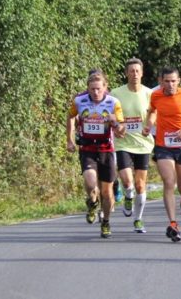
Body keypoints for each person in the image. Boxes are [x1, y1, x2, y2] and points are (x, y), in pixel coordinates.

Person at [144, 67, 181, 242]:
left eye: (173, 81)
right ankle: (173, 223)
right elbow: (152, 112)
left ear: (179, 81)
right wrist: (149, 125)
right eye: (166, 81)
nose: (170, 84)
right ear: (161, 81)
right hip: (163, 145)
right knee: (169, 182)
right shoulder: (156, 96)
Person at [67, 72, 125, 238]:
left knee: (107, 193)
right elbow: (70, 116)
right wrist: (69, 140)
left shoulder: (114, 103)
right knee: (91, 183)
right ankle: (92, 201)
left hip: (106, 149)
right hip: (87, 148)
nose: (95, 92)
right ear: (88, 89)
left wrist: (115, 123)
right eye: (92, 89)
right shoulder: (79, 101)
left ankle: (106, 221)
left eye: (99, 89)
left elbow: (121, 130)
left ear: (105, 88)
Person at [110, 58, 153, 233]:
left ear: (142, 73)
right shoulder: (116, 93)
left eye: (137, 71)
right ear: (126, 73)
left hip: (143, 143)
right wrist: (115, 126)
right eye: (131, 71)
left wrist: (149, 124)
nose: (134, 74)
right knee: (128, 182)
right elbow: (110, 114)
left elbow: (154, 113)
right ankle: (128, 195)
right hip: (123, 143)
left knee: (140, 184)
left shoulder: (149, 93)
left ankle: (138, 219)